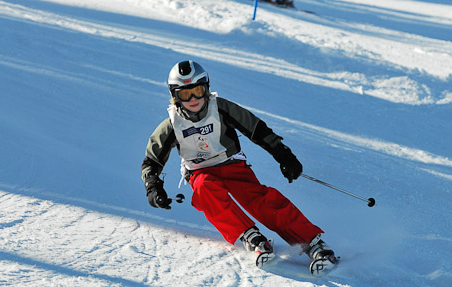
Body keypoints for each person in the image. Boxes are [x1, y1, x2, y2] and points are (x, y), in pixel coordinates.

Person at [141, 60, 335, 269]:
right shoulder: (172, 124)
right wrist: (153, 186)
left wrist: (283, 155)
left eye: (198, 90)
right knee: (205, 190)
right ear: (175, 96)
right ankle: (250, 236)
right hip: (199, 171)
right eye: (185, 94)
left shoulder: (220, 108)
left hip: (231, 165)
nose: (194, 99)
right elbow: (151, 160)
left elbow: (256, 129)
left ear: (206, 87)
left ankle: (313, 242)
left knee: (259, 199)